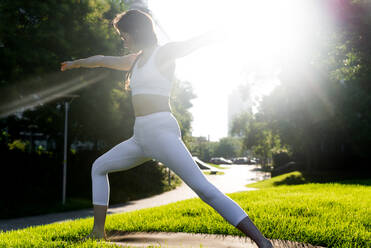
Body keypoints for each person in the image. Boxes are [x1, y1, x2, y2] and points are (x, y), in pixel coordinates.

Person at [60, 9, 273, 248]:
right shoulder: (135, 60)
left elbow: (194, 43)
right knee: (99, 167)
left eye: (124, 34)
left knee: (204, 190)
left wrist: (224, 31)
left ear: (137, 31)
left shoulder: (163, 53)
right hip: (140, 137)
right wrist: (75, 63)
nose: (123, 39)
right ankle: (98, 232)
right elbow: (101, 59)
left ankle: (263, 242)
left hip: (161, 131)